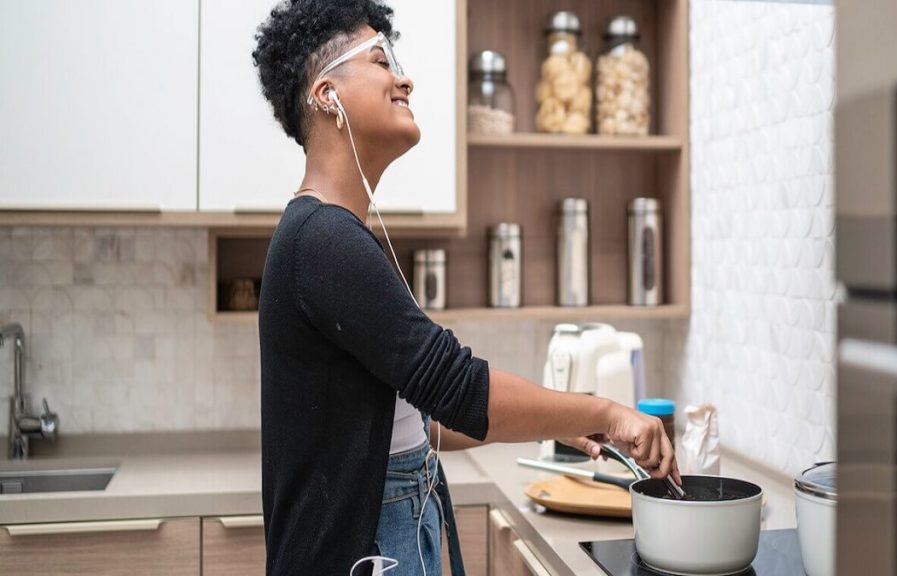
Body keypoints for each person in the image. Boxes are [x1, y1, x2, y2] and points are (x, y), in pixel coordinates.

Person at [252, 1, 679, 574]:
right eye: (381, 61)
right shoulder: (323, 240)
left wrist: (567, 419)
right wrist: (605, 411)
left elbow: (423, 419)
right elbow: (453, 386)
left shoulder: (336, 234)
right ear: (328, 95)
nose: (404, 77)